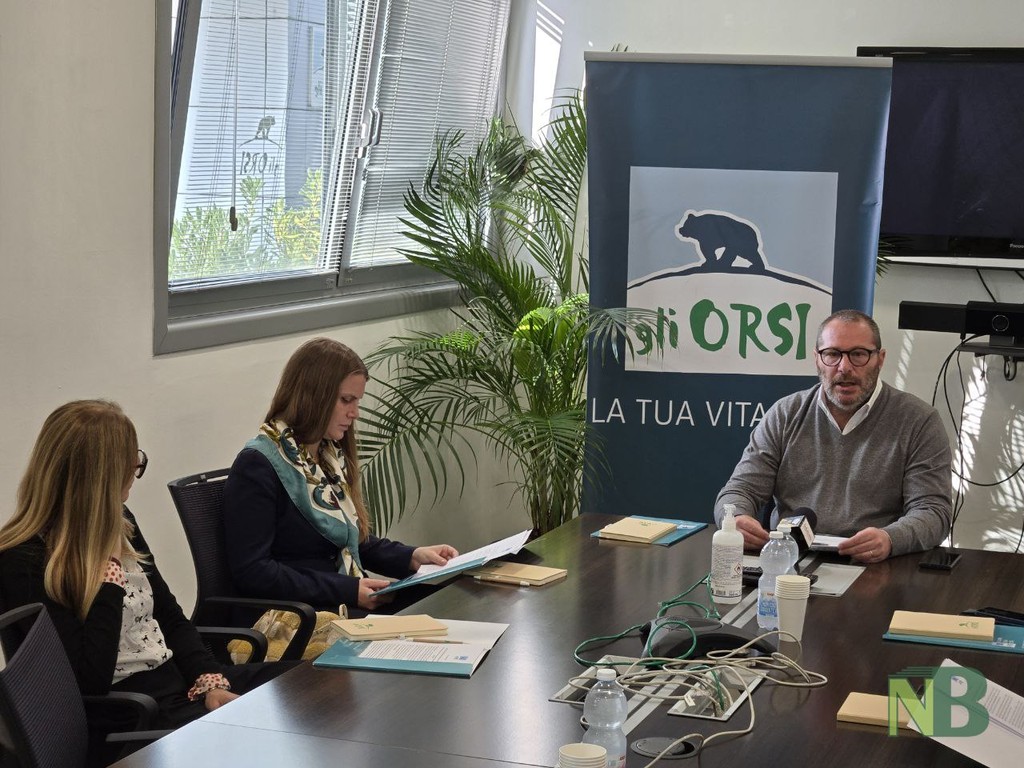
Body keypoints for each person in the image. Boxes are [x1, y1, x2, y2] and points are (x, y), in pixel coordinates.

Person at [0, 400, 294, 760]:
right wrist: (108, 574)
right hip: (132, 716)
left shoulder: (120, 520)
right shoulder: (24, 559)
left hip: (178, 687)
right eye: (131, 463)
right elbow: (87, 680)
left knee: (308, 684)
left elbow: (168, 615)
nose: (134, 472)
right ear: (103, 476)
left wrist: (209, 680)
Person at [223, 337, 458, 613]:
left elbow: (350, 543)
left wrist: (412, 557)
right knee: (441, 619)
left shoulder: (328, 456)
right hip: (306, 614)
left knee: (453, 601)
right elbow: (253, 572)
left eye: (357, 401)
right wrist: (346, 590)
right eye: (346, 400)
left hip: (341, 600)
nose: (355, 413)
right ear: (313, 396)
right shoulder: (258, 465)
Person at [714, 309, 952, 562]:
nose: (844, 367)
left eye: (858, 354)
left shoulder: (918, 421)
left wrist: (890, 538)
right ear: (817, 359)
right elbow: (740, 489)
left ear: (880, 359)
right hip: (789, 560)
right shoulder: (785, 414)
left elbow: (933, 512)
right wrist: (735, 519)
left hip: (874, 564)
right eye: (832, 354)